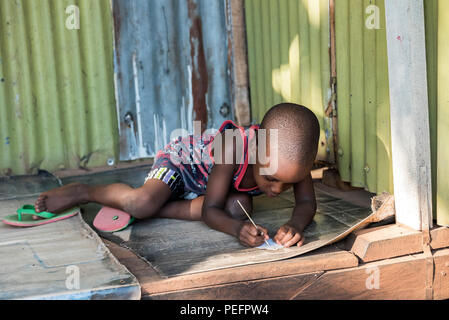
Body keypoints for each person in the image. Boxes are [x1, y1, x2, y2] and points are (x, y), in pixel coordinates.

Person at [34, 103, 320, 248]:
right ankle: (83, 191)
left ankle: (153, 211)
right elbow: (210, 210)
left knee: (239, 207)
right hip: (183, 167)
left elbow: (307, 203)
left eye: (289, 183)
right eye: (270, 178)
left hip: (209, 189)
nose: (278, 188)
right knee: (141, 203)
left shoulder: (293, 159)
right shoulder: (234, 146)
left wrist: (295, 224)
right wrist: (236, 231)